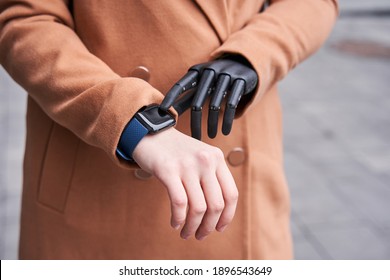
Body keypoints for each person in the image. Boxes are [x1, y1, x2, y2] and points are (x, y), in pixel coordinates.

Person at [0, 0, 338, 259]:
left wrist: (254, 54)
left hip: (244, 181)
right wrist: (130, 120)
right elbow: (23, 18)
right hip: (100, 182)